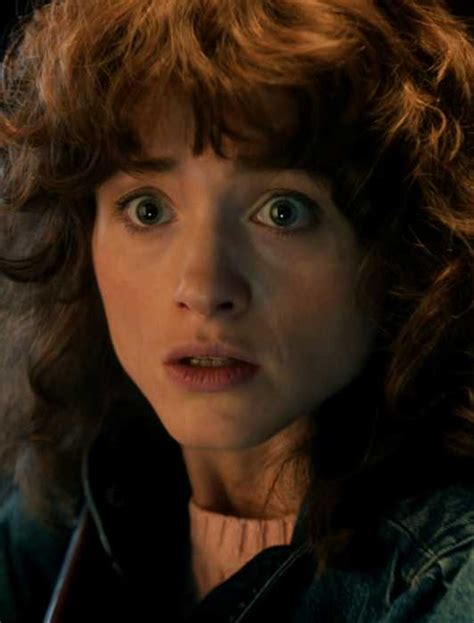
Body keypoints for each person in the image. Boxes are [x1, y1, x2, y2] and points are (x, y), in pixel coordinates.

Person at [0, 0, 473, 621]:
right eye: (148, 209)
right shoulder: (65, 504)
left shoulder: (448, 577)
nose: (203, 287)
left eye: (283, 211)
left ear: (406, 249)